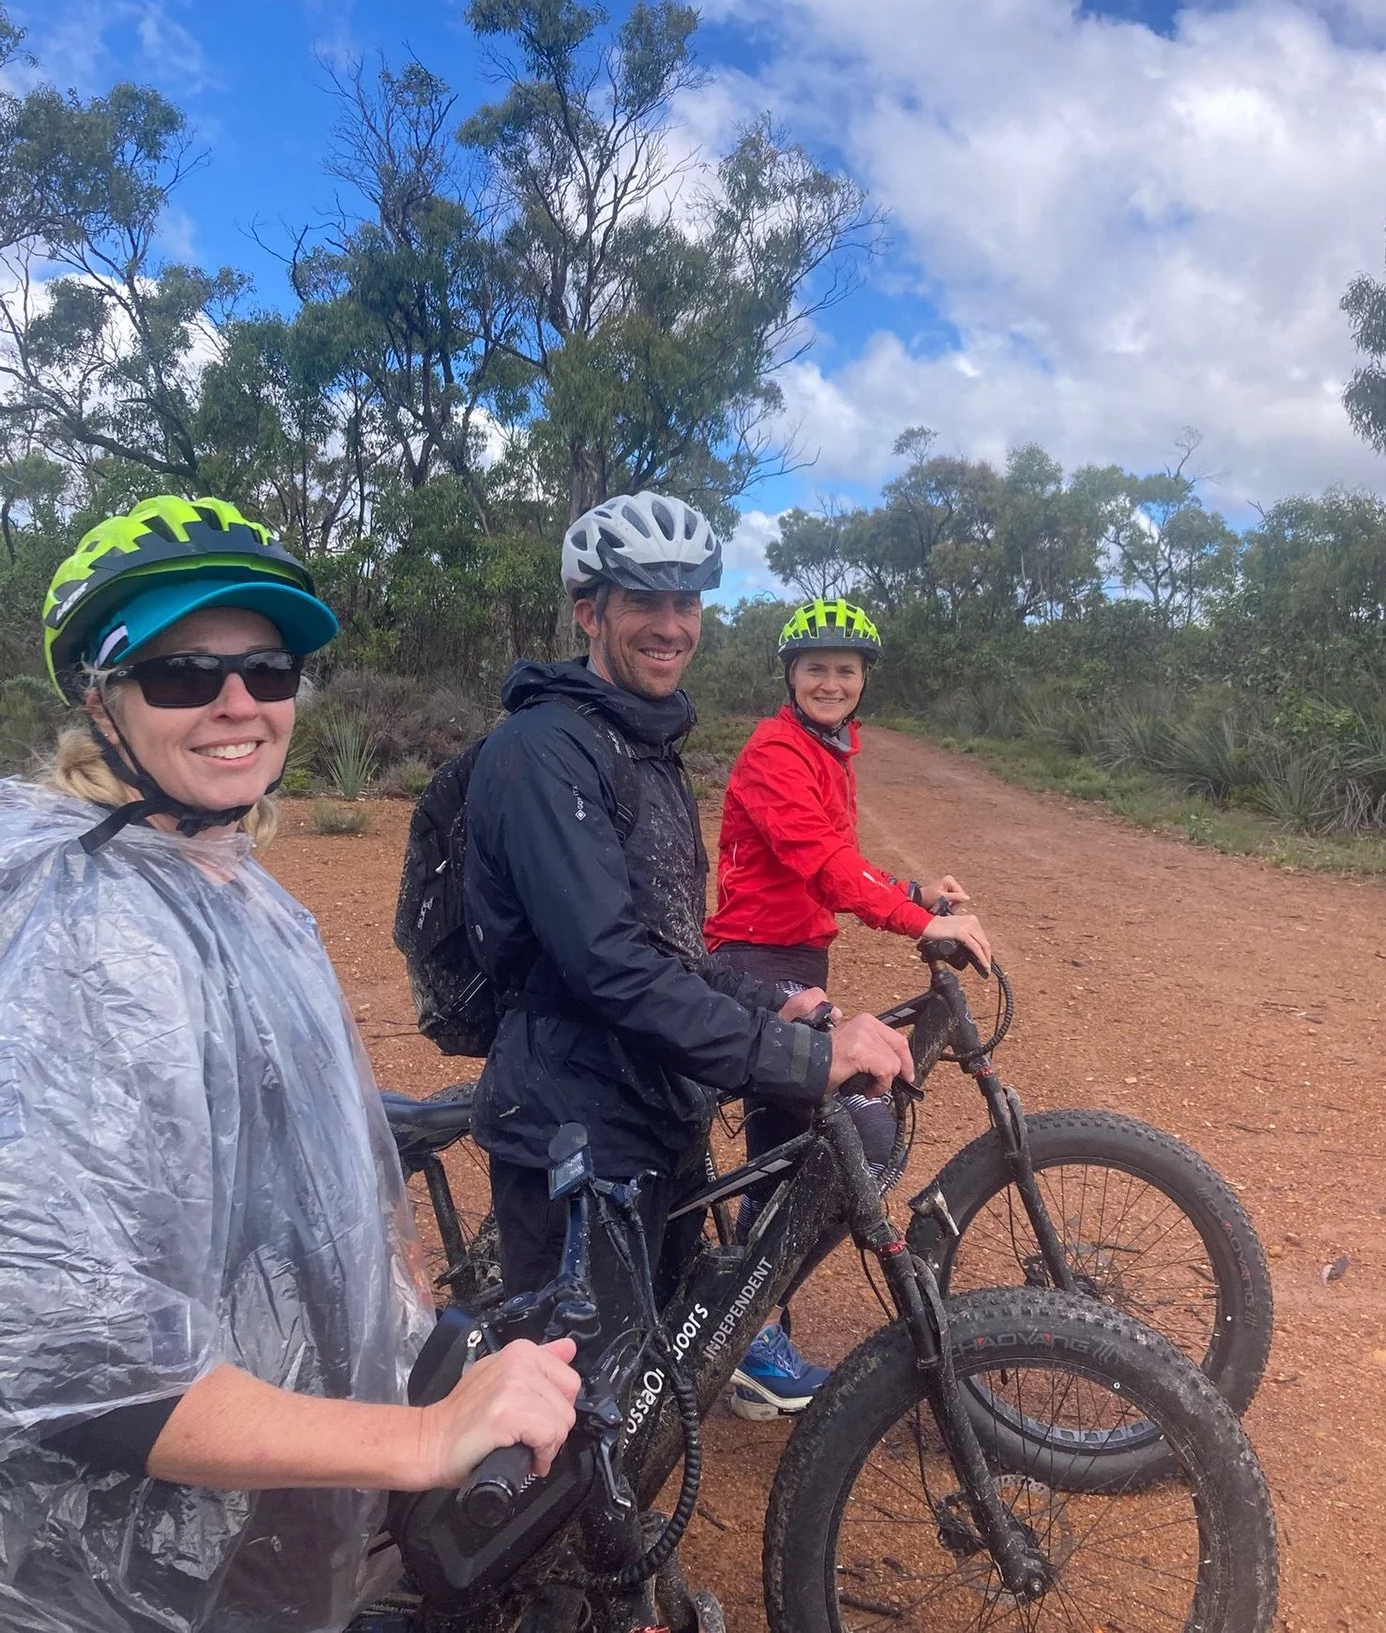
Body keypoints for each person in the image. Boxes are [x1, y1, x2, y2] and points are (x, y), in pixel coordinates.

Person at [0, 495, 580, 1633]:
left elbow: (300, 1174)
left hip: (262, 1507)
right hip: (115, 1574)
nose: (238, 704)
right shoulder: (88, 935)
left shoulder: (229, 885)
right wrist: (422, 1436)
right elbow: (80, 1367)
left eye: (268, 670)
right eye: (182, 674)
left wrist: (401, 1312)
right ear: (101, 698)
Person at [465, 494, 915, 1353]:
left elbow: (666, 943)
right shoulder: (544, 753)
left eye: (687, 601)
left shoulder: (643, 746)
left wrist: (777, 1003)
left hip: (649, 1108)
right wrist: (803, 1059)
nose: (671, 625)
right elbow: (610, 967)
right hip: (576, 1132)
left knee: (655, 1375)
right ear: (590, 613)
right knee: (584, 1408)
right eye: (645, 600)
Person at [706, 597, 991, 1419]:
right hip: (756, 965)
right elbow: (824, 864)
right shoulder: (775, 750)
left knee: (789, 1149)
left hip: (794, 959)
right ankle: (746, 1331)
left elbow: (838, 863)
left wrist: (912, 892)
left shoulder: (827, 750)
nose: (830, 682)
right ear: (789, 676)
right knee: (843, 1135)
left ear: (863, 679)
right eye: (815, 669)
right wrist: (919, 921)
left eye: (845, 670)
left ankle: (748, 1327)